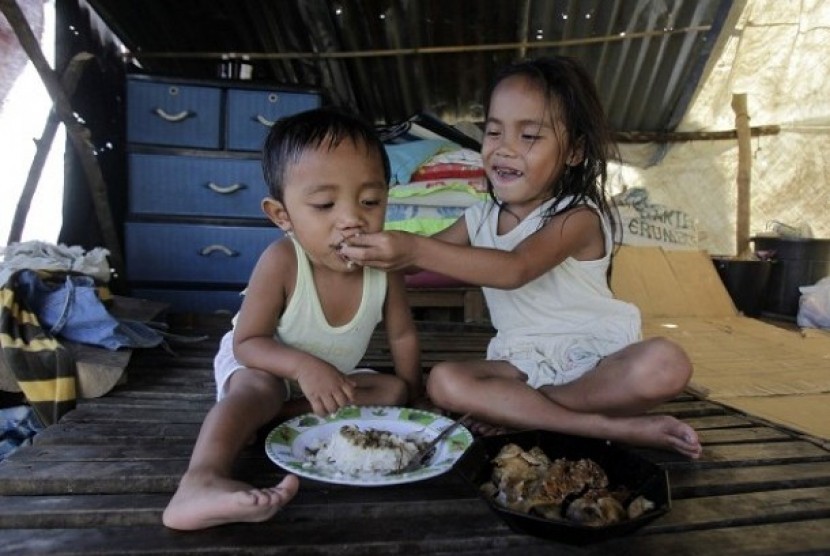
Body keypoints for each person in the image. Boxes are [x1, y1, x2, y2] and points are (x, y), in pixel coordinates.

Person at [340, 56, 702, 459]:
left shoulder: (576, 216)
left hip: (596, 362)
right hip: (520, 364)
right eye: (494, 132)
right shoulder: (479, 216)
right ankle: (594, 424)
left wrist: (413, 245)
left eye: (529, 136)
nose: (504, 149)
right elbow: (410, 266)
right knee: (444, 381)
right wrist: (362, 247)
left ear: (575, 152)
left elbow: (516, 269)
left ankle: (523, 410)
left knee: (667, 364)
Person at [163, 108, 423, 531]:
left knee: (391, 390)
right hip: (263, 362)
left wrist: (415, 401)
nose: (352, 218)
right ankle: (201, 479)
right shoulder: (283, 260)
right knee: (258, 389)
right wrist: (304, 366)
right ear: (282, 215)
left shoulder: (384, 267)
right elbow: (247, 343)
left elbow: (403, 334)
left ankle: (268, 420)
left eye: (370, 201)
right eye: (324, 204)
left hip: (323, 379)